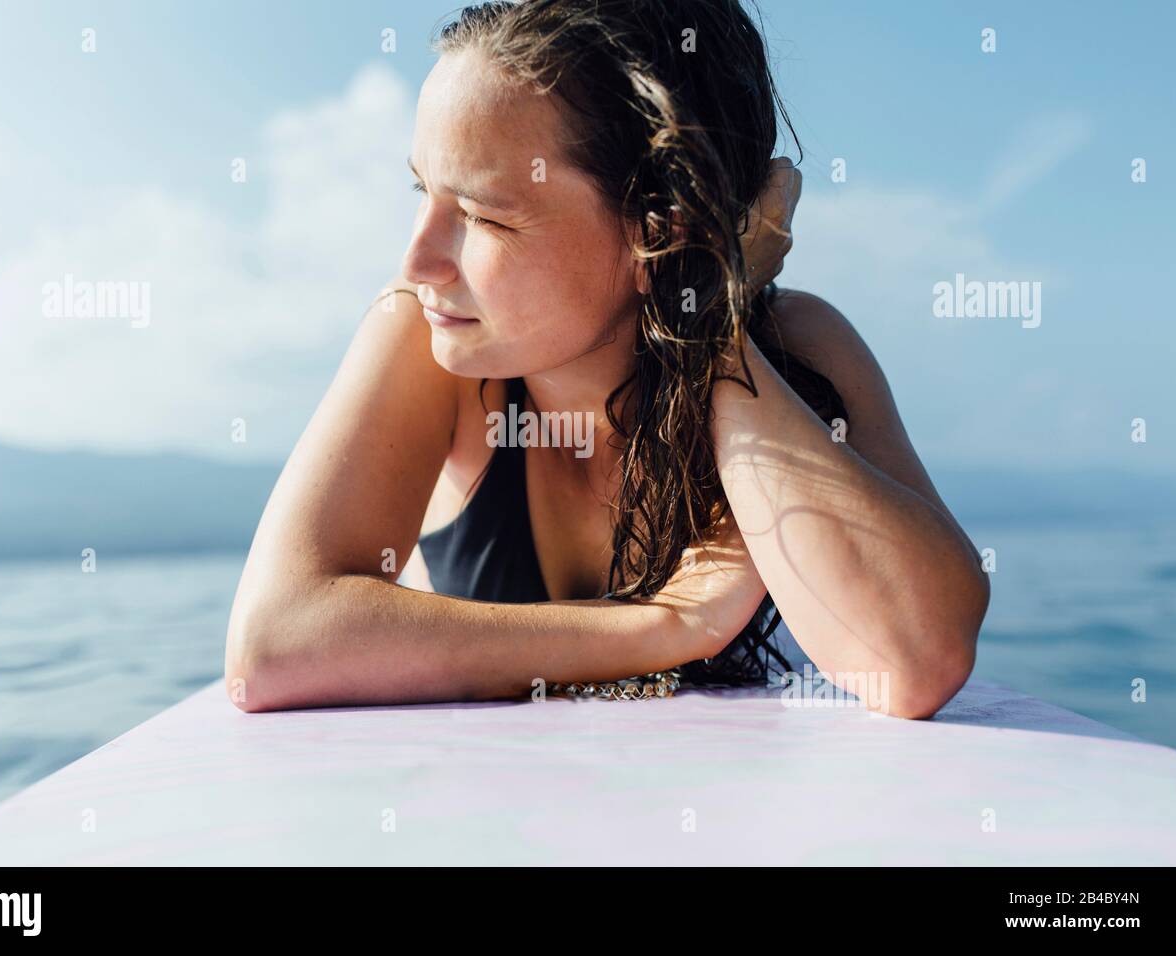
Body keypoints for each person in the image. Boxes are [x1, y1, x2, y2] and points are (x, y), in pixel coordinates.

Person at [225, 0, 990, 717]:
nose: (419, 261)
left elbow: (914, 659)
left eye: (483, 215)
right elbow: (273, 645)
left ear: (657, 229)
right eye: (422, 191)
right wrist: (665, 629)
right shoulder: (431, 345)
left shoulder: (794, 346)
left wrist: (707, 317)